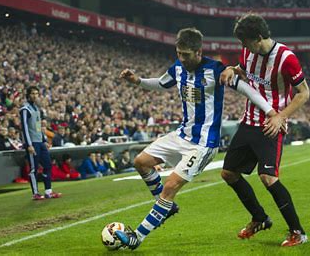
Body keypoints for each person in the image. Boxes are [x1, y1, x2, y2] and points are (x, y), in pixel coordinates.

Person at [115, 27, 278, 250]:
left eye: (186, 54)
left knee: (170, 186)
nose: (181, 58)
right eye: (178, 53)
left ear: (199, 52)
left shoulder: (216, 70)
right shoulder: (178, 68)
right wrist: (138, 81)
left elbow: (248, 90)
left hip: (203, 144)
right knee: (141, 162)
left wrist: (271, 113)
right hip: (182, 134)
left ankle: (137, 237)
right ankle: (166, 207)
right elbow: (162, 83)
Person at [219, 13, 309, 247]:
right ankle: (259, 218)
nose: (243, 46)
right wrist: (231, 68)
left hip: (271, 125)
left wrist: (281, 116)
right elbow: (244, 71)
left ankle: (298, 232)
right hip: (249, 121)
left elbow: (304, 93)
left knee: (268, 177)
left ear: (258, 37)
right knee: (228, 173)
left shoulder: (286, 58)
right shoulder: (249, 52)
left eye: (245, 41)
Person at [20, 86, 62, 200]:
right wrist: (28, 145)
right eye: (33, 93)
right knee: (33, 169)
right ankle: (35, 193)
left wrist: (44, 140)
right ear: (28, 95)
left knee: (47, 165)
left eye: (36, 93)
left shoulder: (36, 109)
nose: (35, 95)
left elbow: (39, 127)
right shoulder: (25, 109)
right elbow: (24, 127)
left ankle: (48, 191)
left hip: (40, 142)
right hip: (32, 142)